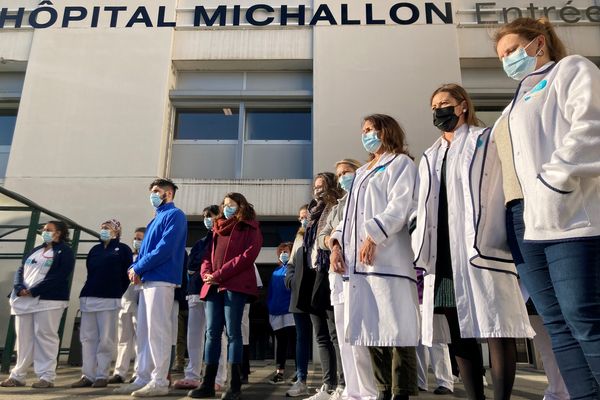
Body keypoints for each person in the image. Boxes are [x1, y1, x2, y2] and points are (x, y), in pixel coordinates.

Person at [494, 17, 600, 398]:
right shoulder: (513, 104)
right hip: (522, 222)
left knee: (583, 316)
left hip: (567, 215)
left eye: (510, 51)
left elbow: (591, 127)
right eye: (501, 56)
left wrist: (552, 183)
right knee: (555, 324)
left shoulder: (571, 70)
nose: (506, 60)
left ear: (538, 43)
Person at [413, 84, 534, 400]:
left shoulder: (485, 140)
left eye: (445, 103)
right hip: (443, 252)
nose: (438, 110)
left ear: (463, 106)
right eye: (434, 105)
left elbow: (505, 185)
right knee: (457, 331)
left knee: (499, 328)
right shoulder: (429, 156)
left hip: (482, 247)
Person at [330, 114, 420, 400]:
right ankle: (382, 391)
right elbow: (349, 217)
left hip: (389, 258)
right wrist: (335, 244)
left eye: (370, 129)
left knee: (397, 331)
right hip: (361, 266)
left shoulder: (400, 164)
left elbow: (401, 205)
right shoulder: (362, 172)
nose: (366, 134)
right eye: (363, 130)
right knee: (372, 331)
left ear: (385, 131)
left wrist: (373, 235)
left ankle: (401, 393)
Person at [114, 178, 187, 397]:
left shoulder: (175, 215)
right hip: (148, 281)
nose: (153, 195)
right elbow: (146, 252)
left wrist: (139, 267)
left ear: (169, 194)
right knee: (144, 333)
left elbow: (165, 248)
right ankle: (143, 377)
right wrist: (136, 267)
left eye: (157, 191)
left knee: (158, 332)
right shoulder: (155, 218)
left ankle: (159, 380)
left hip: (162, 279)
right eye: (152, 191)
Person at [189, 192, 263, 400]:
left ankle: (234, 386)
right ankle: (207, 384)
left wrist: (219, 275)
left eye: (232, 204)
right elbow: (207, 256)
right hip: (213, 286)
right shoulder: (217, 228)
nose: (227, 207)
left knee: (233, 333)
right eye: (225, 204)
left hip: (235, 286)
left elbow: (247, 257)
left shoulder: (250, 227)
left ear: (241, 206)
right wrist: (206, 273)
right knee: (211, 333)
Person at [319, 158, 378, 400]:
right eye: (340, 174)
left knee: (362, 333)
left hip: (362, 271)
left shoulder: (368, 197)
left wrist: (335, 240)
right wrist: (332, 244)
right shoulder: (336, 207)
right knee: (344, 336)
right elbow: (323, 235)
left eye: (347, 172)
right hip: (338, 275)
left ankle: (369, 391)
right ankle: (352, 391)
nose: (343, 177)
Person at [1, 221, 75, 389]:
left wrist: (34, 290)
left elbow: (60, 275)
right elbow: (21, 270)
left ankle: (46, 376)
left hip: (48, 301)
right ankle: (18, 375)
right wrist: (20, 287)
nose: (44, 232)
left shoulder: (65, 251)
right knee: (23, 338)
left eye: (49, 230)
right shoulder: (36, 250)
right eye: (44, 229)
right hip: (23, 301)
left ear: (59, 233)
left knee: (45, 336)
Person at [298, 172, 345, 400]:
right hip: (312, 274)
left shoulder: (336, 207)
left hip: (328, 273)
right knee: (321, 336)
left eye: (322, 186)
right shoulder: (312, 213)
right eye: (315, 186)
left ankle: (344, 385)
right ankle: (328, 385)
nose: (317, 190)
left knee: (336, 333)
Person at [71, 219, 132, 388]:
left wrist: (116, 291)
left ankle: (101, 375)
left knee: (105, 339)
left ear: (116, 231)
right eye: (102, 228)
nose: (103, 230)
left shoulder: (123, 250)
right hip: (89, 297)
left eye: (108, 228)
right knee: (87, 338)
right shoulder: (95, 250)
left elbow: (127, 275)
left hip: (110, 299)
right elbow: (91, 270)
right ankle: (87, 375)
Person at [173, 205, 219, 390]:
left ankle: (218, 377)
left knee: (215, 335)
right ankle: (192, 374)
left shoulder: (222, 239)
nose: (208, 219)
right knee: (194, 335)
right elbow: (191, 266)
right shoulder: (201, 242)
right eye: (205, 216)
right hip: (194, 292)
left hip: (213, 291)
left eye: (211, 216)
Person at [109, 227, 146, 384]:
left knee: (140, 339)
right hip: (125, 301)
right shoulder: (127, 256)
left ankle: (138, 373)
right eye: (135, 238)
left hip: (139, 301)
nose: (137, 241)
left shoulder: (146, 258)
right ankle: (120, 372)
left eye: (140, 238)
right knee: (123, 339)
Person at [285, 204, 312, 397]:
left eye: (306, 216)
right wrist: (291, 280)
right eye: (300, 217)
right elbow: (291, 264)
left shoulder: (318, 232)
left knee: (326, 337)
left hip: (317, 293)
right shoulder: (298, 237)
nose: (302, 220)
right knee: (301, 338)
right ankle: (301, 378)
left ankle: (336, 381)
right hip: (298, 295)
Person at [414, 271, 453, 395]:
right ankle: (420, 382)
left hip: (432, 296)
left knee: (437, 341)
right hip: (415, 296)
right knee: (417, 342)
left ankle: (445, 382)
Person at [267, 243, 296, 384]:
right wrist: (270, 307)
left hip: (290, 312)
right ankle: (279, 372)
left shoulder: (294, 270)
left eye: (286, 251)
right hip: (276, 312)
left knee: (294, 342)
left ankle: (299, 372)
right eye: (281, 252)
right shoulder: (275, 272)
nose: (283, 254)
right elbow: (271, 292)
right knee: (281, 343)